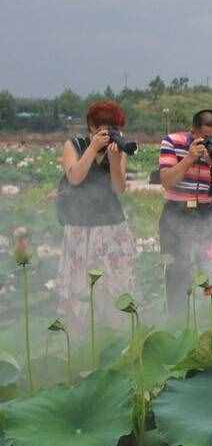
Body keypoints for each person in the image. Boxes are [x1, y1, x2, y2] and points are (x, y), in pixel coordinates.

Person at [56, 99, 136, 332]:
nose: (108, 133)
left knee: (115, 286)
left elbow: (119, 189)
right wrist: (92, 149)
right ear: (91, 127)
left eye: (113, 128)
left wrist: (114, 161)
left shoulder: (119, 148)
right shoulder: (74, 144)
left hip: (112, 226)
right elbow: (74, 178)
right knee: (80, 289)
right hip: (80, 227)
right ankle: (79, 340)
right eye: (102, 127)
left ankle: (115, 335)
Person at [158, 109, 212, 317]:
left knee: (210, 269)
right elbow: (167, 181)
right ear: (193, 132)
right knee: (177, 272)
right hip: (176, 213)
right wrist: (189, 159)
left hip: (208, 214)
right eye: (206, 138)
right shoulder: (172, 142)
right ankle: (177, 321)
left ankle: (206, 320)